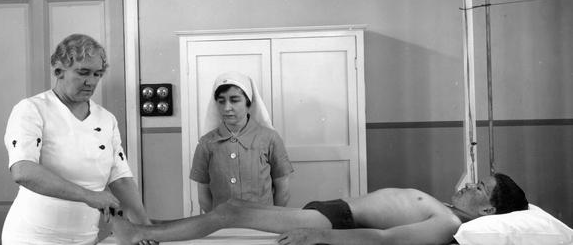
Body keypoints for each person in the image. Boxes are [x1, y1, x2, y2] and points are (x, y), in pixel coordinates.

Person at [2, 34, 151, 245]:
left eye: (98, 74)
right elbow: (23, 171)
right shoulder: (31, 109)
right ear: (58, 71)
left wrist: (144, 227)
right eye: (83, 73)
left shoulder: (106, 119)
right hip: (33, 237)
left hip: (85, 238)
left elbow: (121, 178)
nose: (91, 81)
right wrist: (90, 196)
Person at [111, 172, 528, 245]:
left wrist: (319, 235)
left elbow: (385, 239)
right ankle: (149, 228)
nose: (471, 184)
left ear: (489, 211)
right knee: (231, 210)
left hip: (338, 220)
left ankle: (138, 233)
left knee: (232, 212)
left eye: (481, 187)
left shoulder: (448, 222)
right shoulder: (447, 208)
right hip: (334, 210)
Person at [190, 71, 294, 212]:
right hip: (222, 227)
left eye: (234, 100)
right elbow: (203, 195)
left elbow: (283, 190)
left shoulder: (270, 138)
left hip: (262, 225)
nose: (227, 108)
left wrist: (270, 219)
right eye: (221, 101)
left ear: (248, 103)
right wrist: (218, 220)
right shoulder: (206, 143)